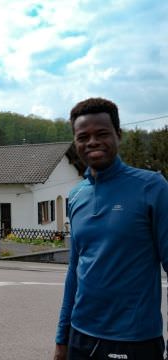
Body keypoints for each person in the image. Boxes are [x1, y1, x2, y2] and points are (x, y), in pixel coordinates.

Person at [54, 98, 168, 360]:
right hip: (80, 337)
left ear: (119, 135)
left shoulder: (152, 188)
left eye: (102, 133)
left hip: (134, 339)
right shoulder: (77, 195)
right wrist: (62, 337)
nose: (92, 141)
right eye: (83, 136)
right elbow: (74, 270)